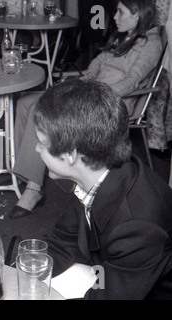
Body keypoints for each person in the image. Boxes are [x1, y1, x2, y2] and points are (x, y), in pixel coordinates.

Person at [9, 0, 163, 219]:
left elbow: (131, 81)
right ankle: (29, 173)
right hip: (90, 93)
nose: (115, 17)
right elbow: (98, 63)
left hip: (111, 102)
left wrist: (93, 93)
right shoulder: (122, 37)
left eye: (120, 12)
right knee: (25, 102)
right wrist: (84, 82)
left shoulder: (150, 44)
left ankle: (33, 189)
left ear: (137, 15)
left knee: (38, 109)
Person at [36, 79, 172, 299]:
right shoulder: (98, 175)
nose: (36, 148)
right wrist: (16, 272)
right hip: (117, 274)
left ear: (70, 154)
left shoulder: (137, 226)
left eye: (41, 143)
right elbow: (63, 241)